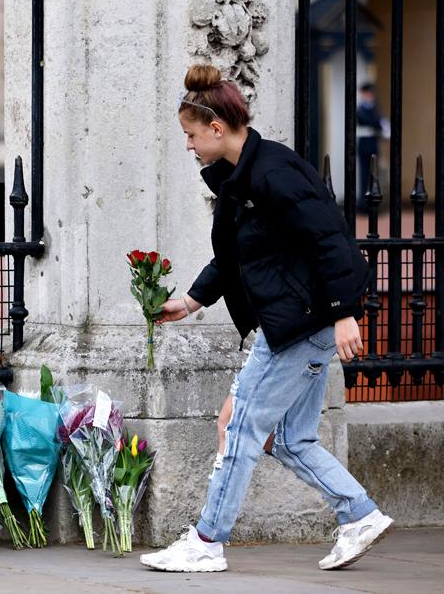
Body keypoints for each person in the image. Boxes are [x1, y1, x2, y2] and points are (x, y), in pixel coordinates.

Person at [139, 65, 393, 573]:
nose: (188, 146)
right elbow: (235, 256)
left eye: (190, 135)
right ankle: (359, 515)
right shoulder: (240, 177)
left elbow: (331, 239)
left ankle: (208, 541)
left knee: (239, 427)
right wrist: (191, 301)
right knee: (289, 438)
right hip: (295, 324)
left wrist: (346, 314)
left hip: (305, 324)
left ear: (216, 128)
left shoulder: (272, 172)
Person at [356, 82, 385, 209]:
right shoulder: (361, 108)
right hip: (364, 144)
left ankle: (373, 201)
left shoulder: (375, 107)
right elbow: (371, 121)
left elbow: (379, 123)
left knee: (373, 174)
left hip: (373, 144)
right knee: (364, 174)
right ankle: (363, 202)